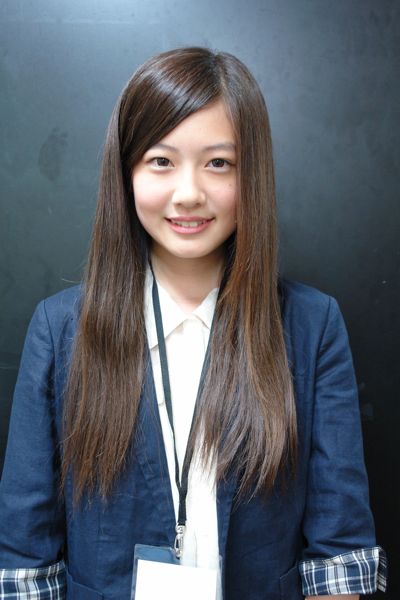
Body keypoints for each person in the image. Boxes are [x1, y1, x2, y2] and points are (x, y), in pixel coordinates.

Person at [0, 47, 386, 600]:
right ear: (125, 171)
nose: (188, 193)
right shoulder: (61, 330)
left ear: (252, 174)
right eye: (161, 161)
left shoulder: (311, 326)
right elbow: (25, 559)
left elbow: (339, 555)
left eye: (218, 163)